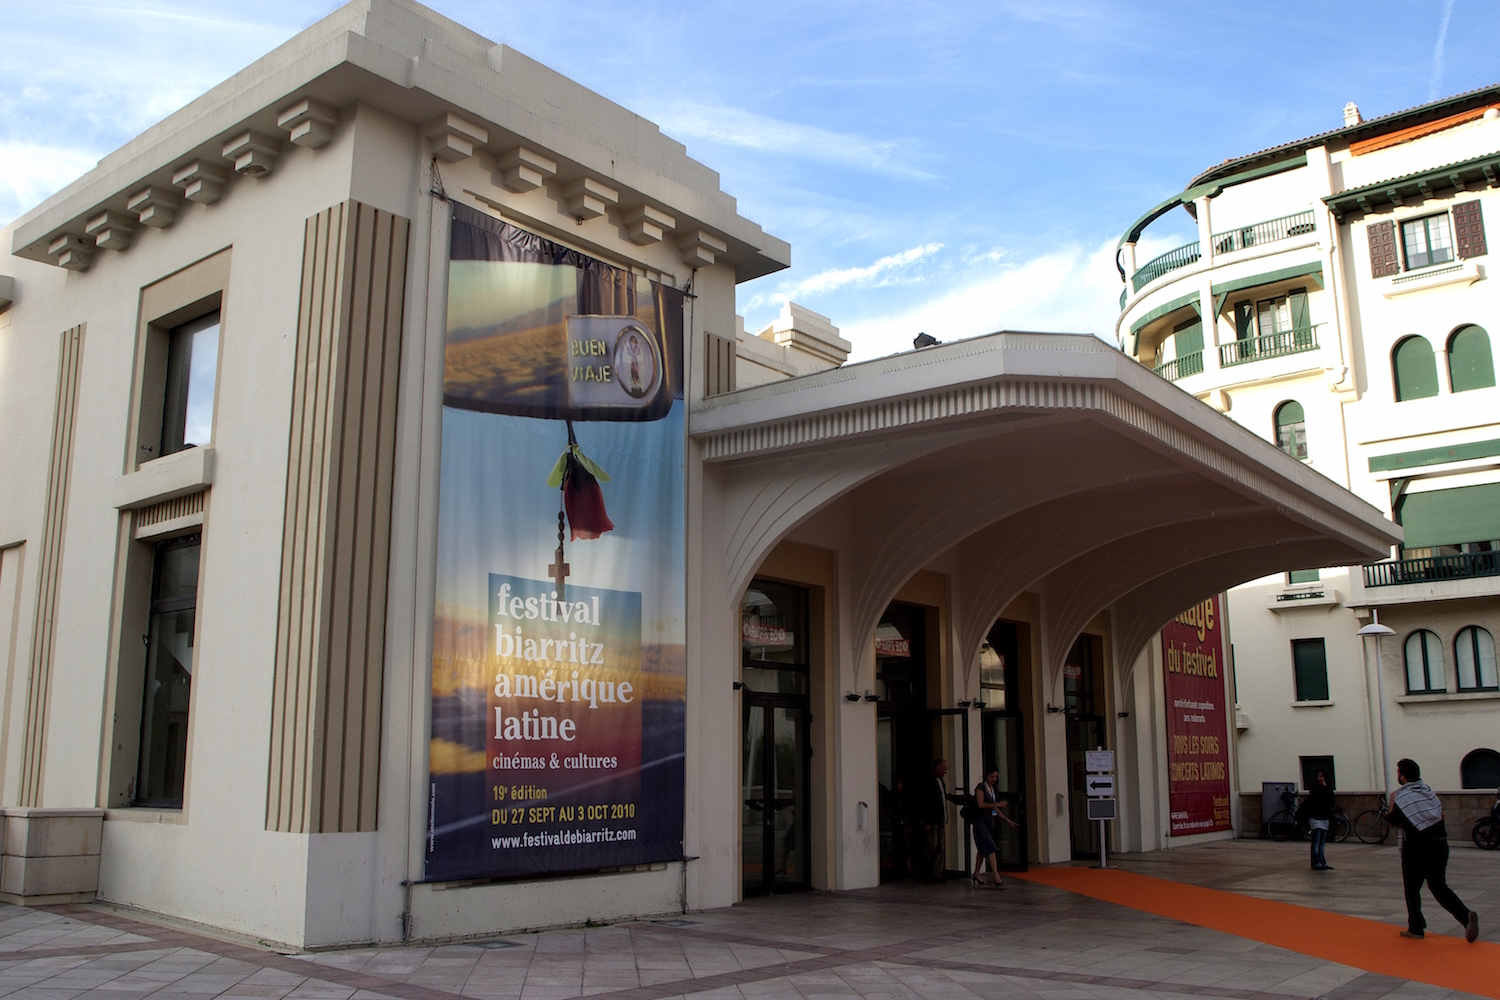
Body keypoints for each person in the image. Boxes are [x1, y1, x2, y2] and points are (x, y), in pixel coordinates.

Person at [1388, 758, 1479, 942]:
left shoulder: (1402, 796)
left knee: (1412, 889)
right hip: (1440, 845)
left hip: (1416, 847)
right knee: (1438, 886)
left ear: (1403, 776)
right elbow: (1440, 815)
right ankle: (1465, 915)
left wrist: (1390, 806)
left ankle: (1416, 928)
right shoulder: (1428, 792)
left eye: (1398, 772)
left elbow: (1393, 821)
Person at [971, 766, 1019, 888]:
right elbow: (980, 804)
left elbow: (995, 809)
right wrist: (997, 804)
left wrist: (1007, 820)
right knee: (991, 846)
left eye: (996, 777)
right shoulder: (980, 788)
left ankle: (976, 873)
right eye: (992, 776)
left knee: (982, 850)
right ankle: (996, 875)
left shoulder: (993, 790)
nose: (994, 779)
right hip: (980, 822)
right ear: (986, 775)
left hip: (989, 822)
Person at [918, 758, 959, 881]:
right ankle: (922, 870)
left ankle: (936, 873)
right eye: (944, 769)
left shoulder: (941, 781)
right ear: (937, 768)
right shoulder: (929, 782)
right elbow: (926, 803)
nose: (945, 772)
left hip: (940, 818)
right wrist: (926, 821)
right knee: (932, 846)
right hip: (932, 819)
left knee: (940, 847)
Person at [1298, 770, 1335, 870]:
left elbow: (1331, 801)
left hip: (1325, 817)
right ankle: (1317, 862)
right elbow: (1316, 799)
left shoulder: (1328, 789)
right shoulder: (1314, 788)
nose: (1320, 778)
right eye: (1319, 776)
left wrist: (1326, 788)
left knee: (1322, 842)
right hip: (1315, 817)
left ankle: (1323, 861)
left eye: (1322, 776)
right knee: (1317, 840)